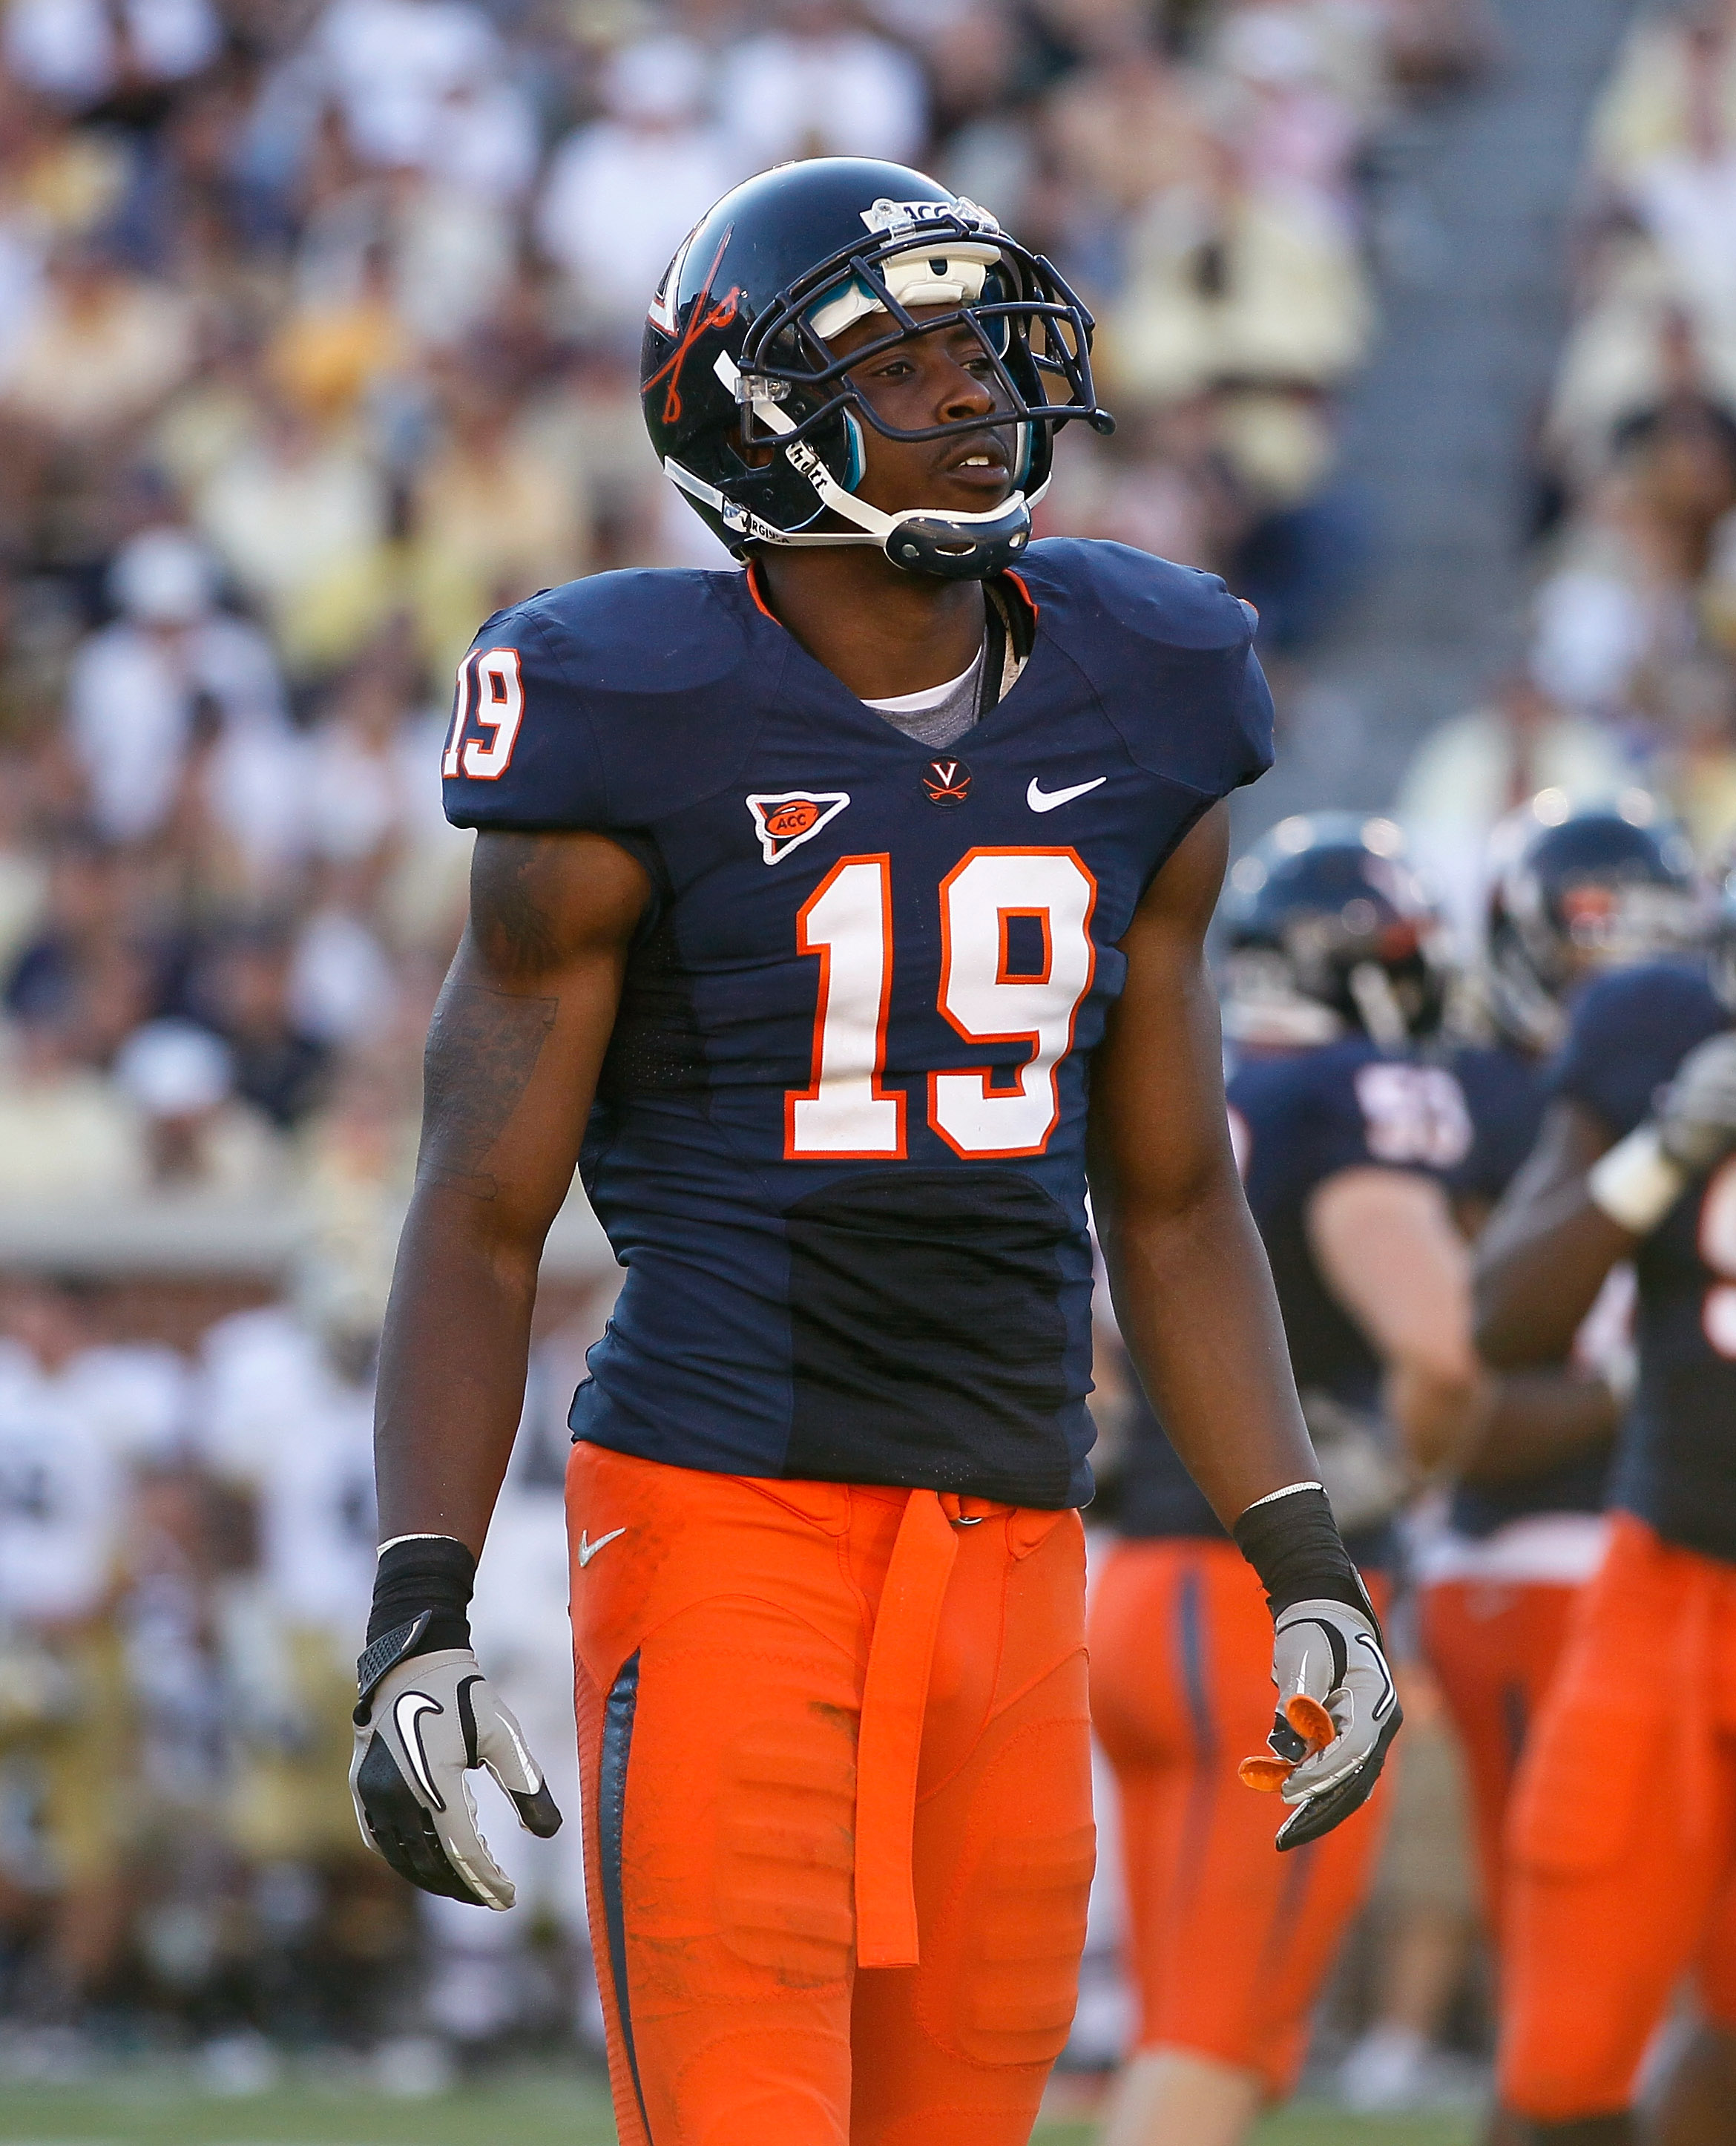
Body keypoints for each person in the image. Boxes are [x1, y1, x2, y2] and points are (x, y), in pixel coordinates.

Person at [346, 158, 1401, 2145]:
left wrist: (1305, 1559)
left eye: (979, 343)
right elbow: (478, 1208)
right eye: (898, 357)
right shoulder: (621, 708)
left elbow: (1169, 1191)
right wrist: (419, 1604)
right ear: (748, 419)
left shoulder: (1150, 682)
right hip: (728, 1517)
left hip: (1017, 1535)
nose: (972, 393)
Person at [1091, 813, 1474, 2146]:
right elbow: (1439, 1342)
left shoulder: (1194, 1078)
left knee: (1189, 2028)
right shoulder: (1350, 1092)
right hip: (1263, 1614)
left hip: (1140, 1592)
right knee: (1217, 2041)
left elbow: (1102, 1351)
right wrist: (1404, 1474)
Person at [1475, 871, 1736, 2145]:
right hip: (1670, 1586)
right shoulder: (1658, 1030)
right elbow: (1502, 1320)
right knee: (1566, 2064)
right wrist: (1664, 1152)